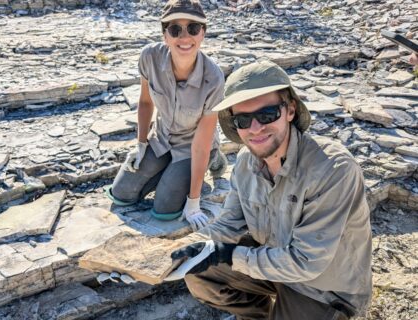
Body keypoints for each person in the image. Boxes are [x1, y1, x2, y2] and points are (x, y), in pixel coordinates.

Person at [170, 61, 372, 319]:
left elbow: (305, 262)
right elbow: (228, 225)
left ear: (290, 110)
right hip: (271, 265)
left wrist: (230, 256)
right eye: (243, 119)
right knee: (199, 272)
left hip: (322, 288)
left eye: (267, 115)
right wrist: (169, 256)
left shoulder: (332, 169)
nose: (255, 128)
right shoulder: (245, 162)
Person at [106, 0, 226, 230]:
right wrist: (140, 144)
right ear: (165, 35)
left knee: (165, 210)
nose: (184, 37)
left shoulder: (214, 78)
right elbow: (144, 101)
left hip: (193, 146)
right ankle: (168, 171)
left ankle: (215, 158)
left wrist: (193, 202)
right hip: (160, 138)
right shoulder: (149, 57)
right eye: (175, 29)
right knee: (122, 195)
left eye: (193, 28)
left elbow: (200, 144)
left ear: (203, 34)